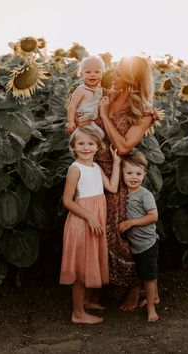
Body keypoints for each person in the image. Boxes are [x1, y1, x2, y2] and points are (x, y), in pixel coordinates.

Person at [95, 55, 162, 311]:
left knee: (121, 235)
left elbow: (123, 147)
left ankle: (134, 289)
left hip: (119, 176)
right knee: (100, 230)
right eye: (117, 71)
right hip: (95, 173)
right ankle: (102, 285)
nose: (117, 76)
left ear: (135, 79)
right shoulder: (108, 94)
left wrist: (103, 113)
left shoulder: (144, 110)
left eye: (123, 73)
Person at [60, 125, 120, 324]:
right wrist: (90, 217)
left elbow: (111, 187)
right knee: (80, 267)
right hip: (81, 222)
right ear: (73, 147)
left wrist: (117, 163)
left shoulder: (96, 167)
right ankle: (77, 313)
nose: (86, 147)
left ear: (98, 146)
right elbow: (67, 201)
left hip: (95, 221)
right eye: (81, 143)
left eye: (90, 143)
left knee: (89, 262)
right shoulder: (75, 169)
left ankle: (85, 301)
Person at [119, 151, 159, 321]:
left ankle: (151, 308)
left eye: (138, 173)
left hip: (148, 244)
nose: (133, 177)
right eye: (129, 173)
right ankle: (155, 297)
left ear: (144, 175)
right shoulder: (122, 193)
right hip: (135, 245)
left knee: (148, 277)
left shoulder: (145, 195)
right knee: (146, 273)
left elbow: (153, 216)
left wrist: (131, 223)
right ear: (122, 173)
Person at [65, 55, 105, 138]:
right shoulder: (81, 90)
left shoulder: (100, 90)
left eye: (97, 72)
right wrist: (71, 121)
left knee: (101, 135)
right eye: (88, 72)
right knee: (81, 138)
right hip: (81, 121)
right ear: (81, 74)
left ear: (102, 74)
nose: (92, 75)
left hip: (92, 122)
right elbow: (72, 106)